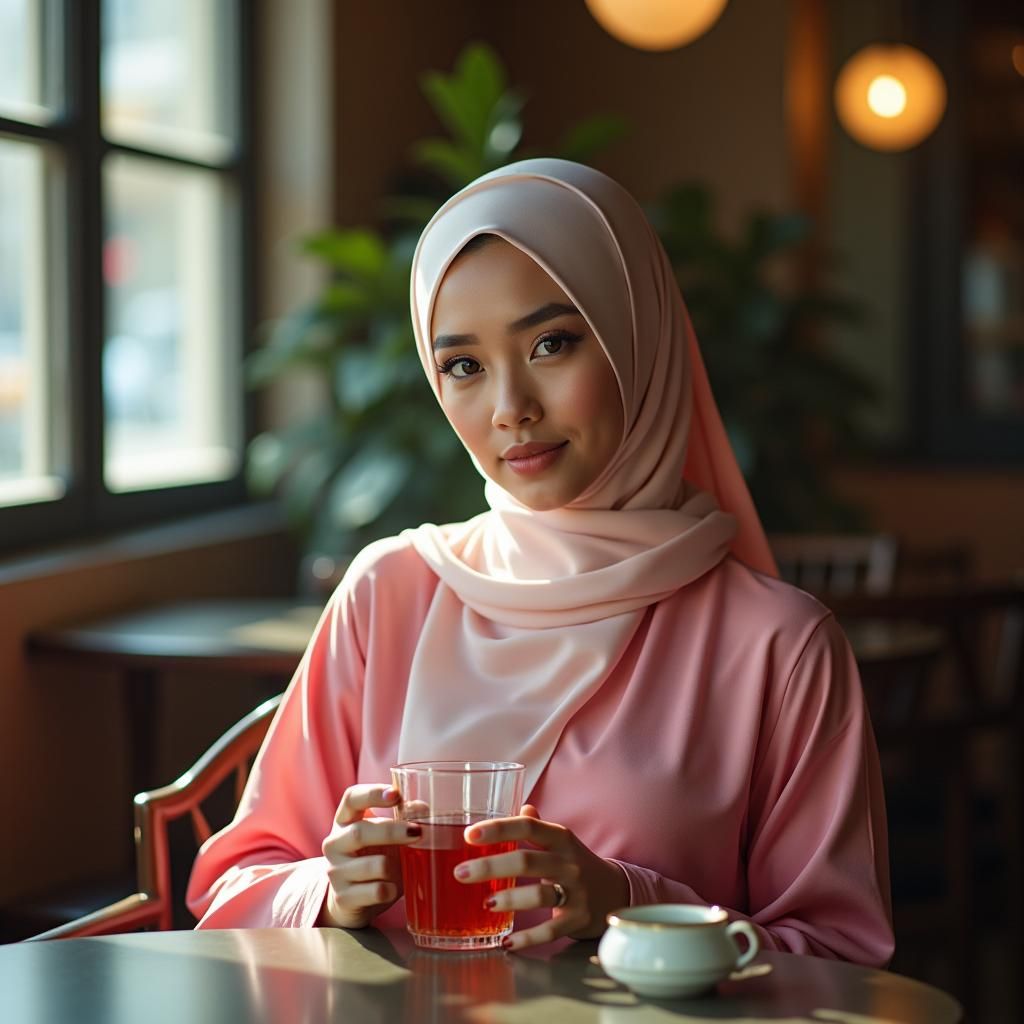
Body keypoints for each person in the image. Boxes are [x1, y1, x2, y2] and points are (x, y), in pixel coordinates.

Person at [186, 158, 894, 964]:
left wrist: (631, 903)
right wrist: (330, 889)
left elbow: (842, 962)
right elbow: (235, 887)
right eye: (463, 365)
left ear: (637, 337)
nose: (510, 408)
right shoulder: (390, 594)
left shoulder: (780, 646)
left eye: (551, 344)